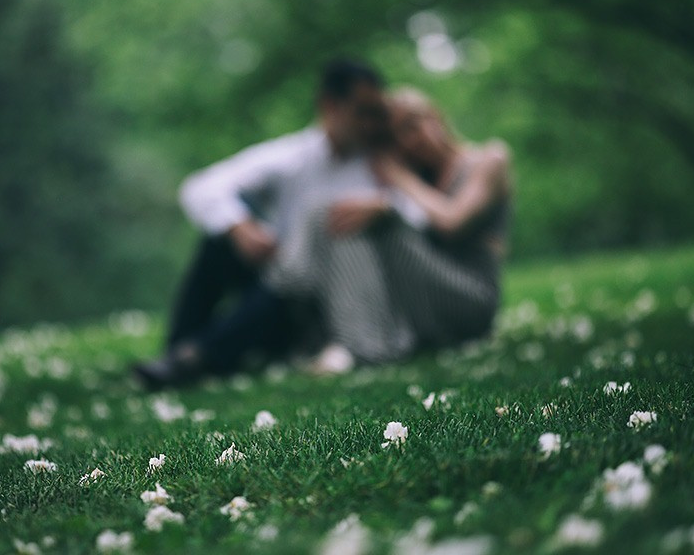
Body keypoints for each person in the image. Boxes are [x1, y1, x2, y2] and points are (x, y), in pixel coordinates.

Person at [132, 60, 423, 388]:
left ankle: (192, 358)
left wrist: (386, 206)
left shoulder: (379, 165)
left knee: (287, 284)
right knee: (218, 245)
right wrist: (239, 227)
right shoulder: (293, 157)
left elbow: (422, 216)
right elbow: (202, 187)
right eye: (362, 112)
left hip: (332, 304)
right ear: (330, 106)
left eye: (376, 114)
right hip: (277, 288)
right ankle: (181, 353)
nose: (370, 125)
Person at [281, 86, 513, 365]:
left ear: (435, 116)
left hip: (470, 300)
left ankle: (293, 288)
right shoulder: (418, 178)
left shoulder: (487, 159)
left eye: (413, 124)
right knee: (339, 214)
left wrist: (396, 181)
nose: (410, 140)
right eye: (397, 136)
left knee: (379, 220)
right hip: (424, 299)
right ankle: (349, 336)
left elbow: (453, 222)